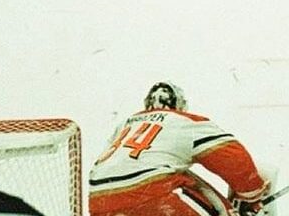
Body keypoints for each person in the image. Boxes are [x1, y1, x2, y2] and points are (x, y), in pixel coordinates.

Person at [88, 82, 271, 216]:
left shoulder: (125, 126)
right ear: (180, 106)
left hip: (99, 201)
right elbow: (231, 157)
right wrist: (251, 195)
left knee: (182, 179)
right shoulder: (183, 121)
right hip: (151, 196)